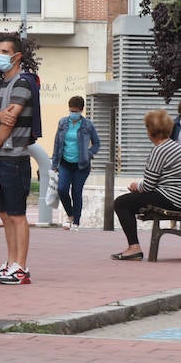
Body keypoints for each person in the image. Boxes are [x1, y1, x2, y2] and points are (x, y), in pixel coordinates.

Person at [0, 36, 41, 286]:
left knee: (17, 214)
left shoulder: (22, 84)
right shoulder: (4, 85)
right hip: (3, 157)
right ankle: (9, 263)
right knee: (4, 213)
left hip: (14, 157)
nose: (0, 55)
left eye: (5, 51)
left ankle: (21, 267)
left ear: (17, 56)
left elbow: (8, 121)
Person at [111, 109, 181, 260]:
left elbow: (148, 186)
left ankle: (134, 248)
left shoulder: (159, 151)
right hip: (177, 197)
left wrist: (136, 186)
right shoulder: (177, 147)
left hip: (170, 198)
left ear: (150, 131)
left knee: (121, 203)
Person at [51, 96, 100, 231]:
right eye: (71, 111)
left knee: (76, 192)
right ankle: (70, 215)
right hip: (65, 162)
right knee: (62, 189)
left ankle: (76, 222)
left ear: (81, 110)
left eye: (76, 111)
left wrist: (89, 154)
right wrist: (54, 164)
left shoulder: (87, 125)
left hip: (82, 165)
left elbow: (97, 143)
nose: (73, 113)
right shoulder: (62, 123)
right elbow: (57, 143)